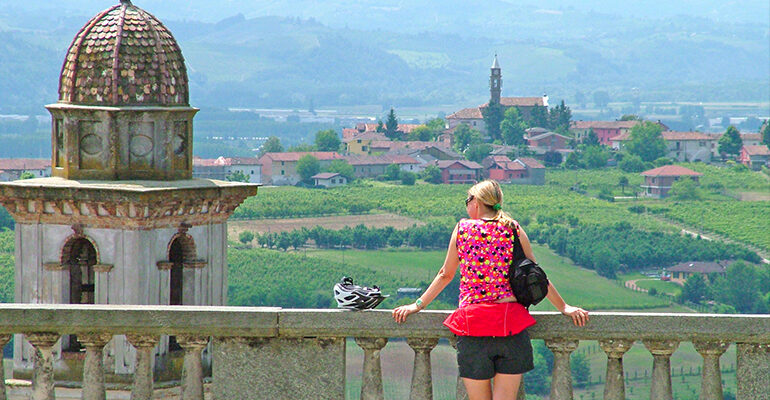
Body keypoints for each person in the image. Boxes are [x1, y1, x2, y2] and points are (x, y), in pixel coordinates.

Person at [392, 180, 589, 400]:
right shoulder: (513, 228)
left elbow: (445, 275)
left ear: (476, 202)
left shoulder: (463, 229)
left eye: (467, 200)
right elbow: (534, 276)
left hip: (473, 325)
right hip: (511, 325)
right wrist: (564, 306)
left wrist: (417, 305)